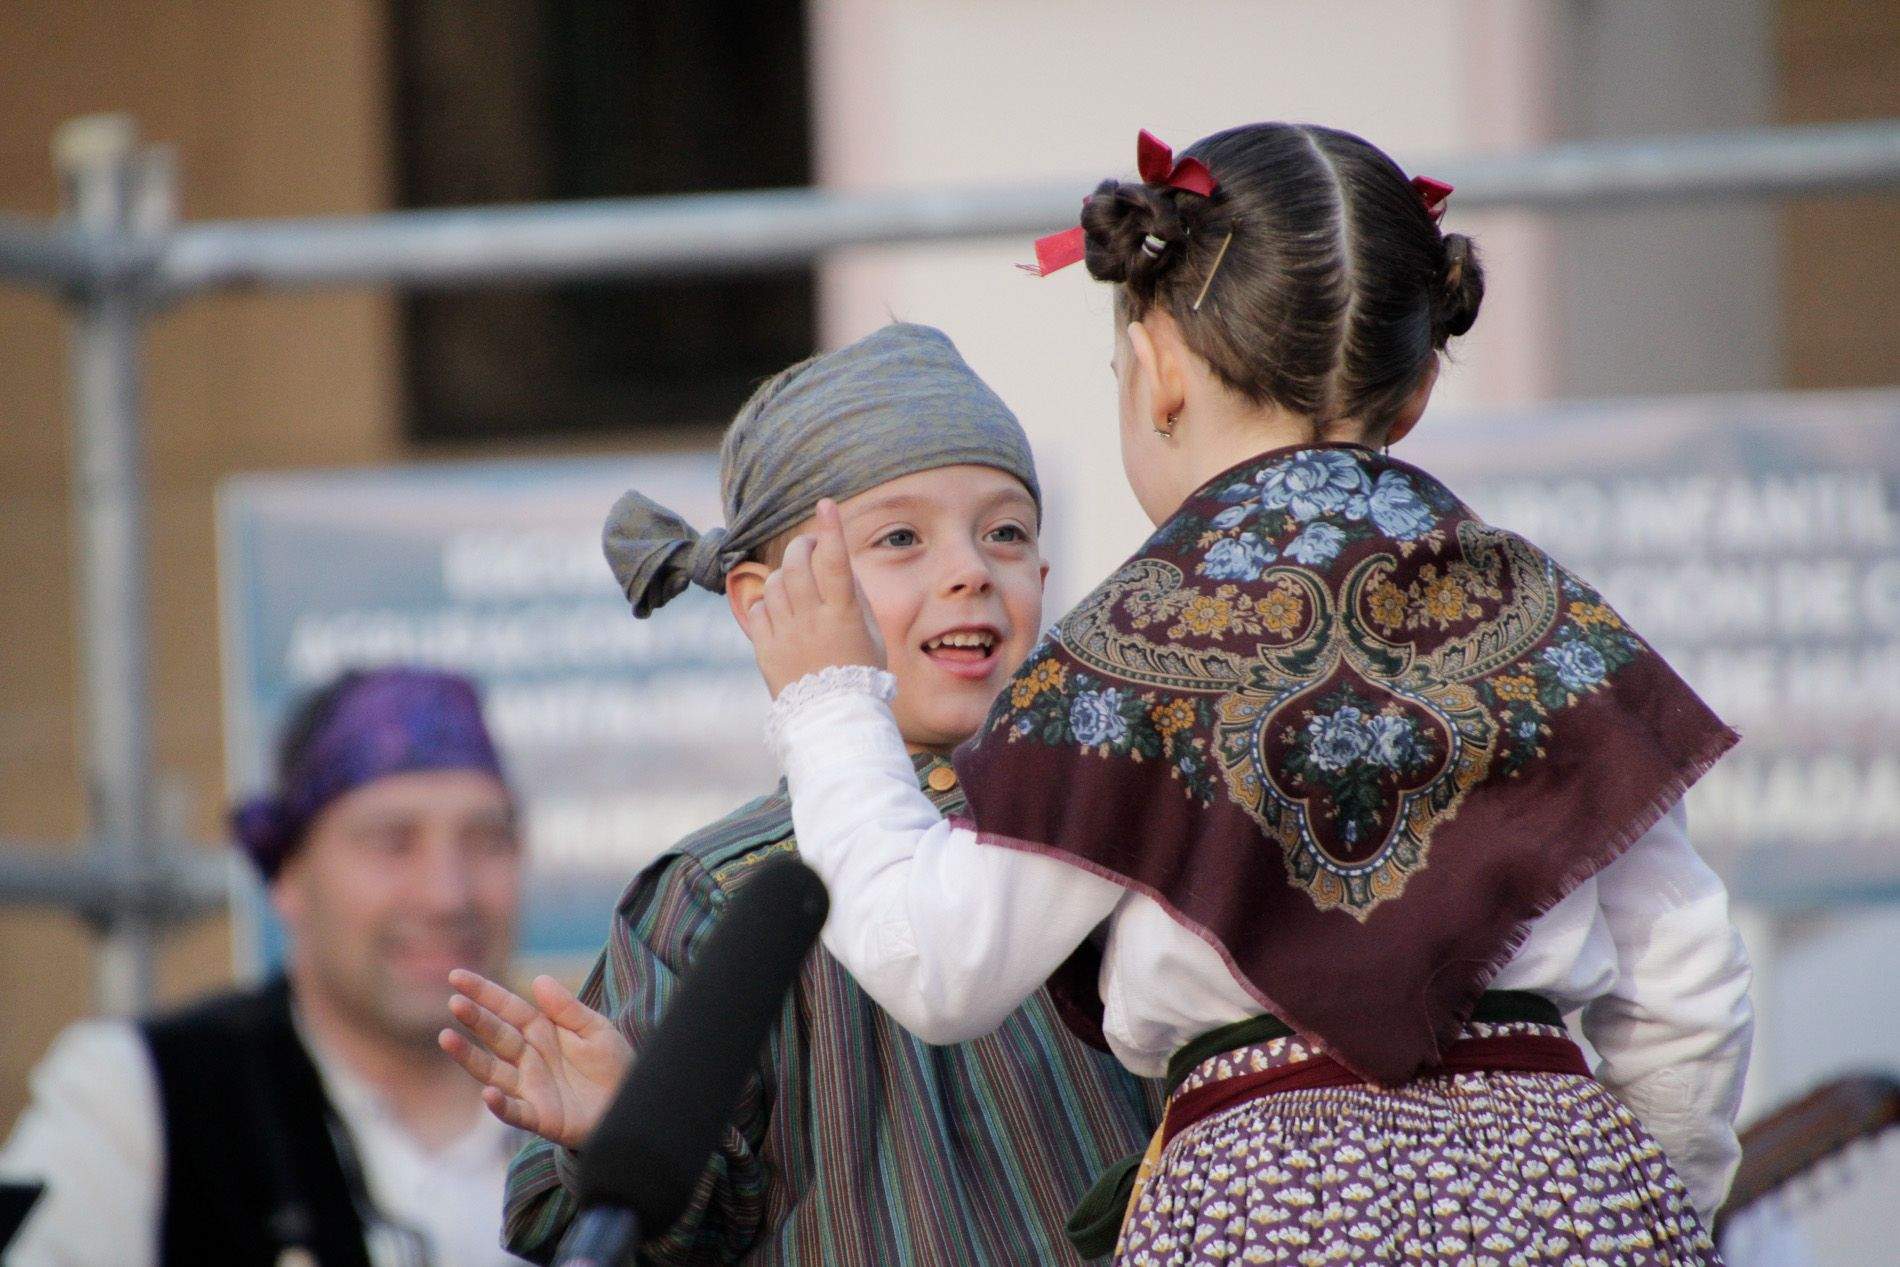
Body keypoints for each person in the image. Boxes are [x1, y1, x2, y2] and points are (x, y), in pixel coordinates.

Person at [740, 126, 1755, 1265]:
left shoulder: (1133, 648)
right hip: (1572, 1192)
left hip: (1260, 1210)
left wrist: (830, 697)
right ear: (1415, 383)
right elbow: (1685, 992)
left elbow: (935, 961)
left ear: (1159, 366)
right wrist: (1631, 1211)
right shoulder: (1541, 618)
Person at [445, 322, 1161, 1265]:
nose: (969, 570)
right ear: (761, 601)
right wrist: (621, 1130)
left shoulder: (1118, 811)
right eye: (900, 537)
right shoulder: (722, 891)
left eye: (1006, 532)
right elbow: (620, 1225)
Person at [0, 666, 529, 1266]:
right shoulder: (139, 1097)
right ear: (287, 873)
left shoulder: (605, 1116)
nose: (447, 895)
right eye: (392, 841)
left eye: (487, 841)